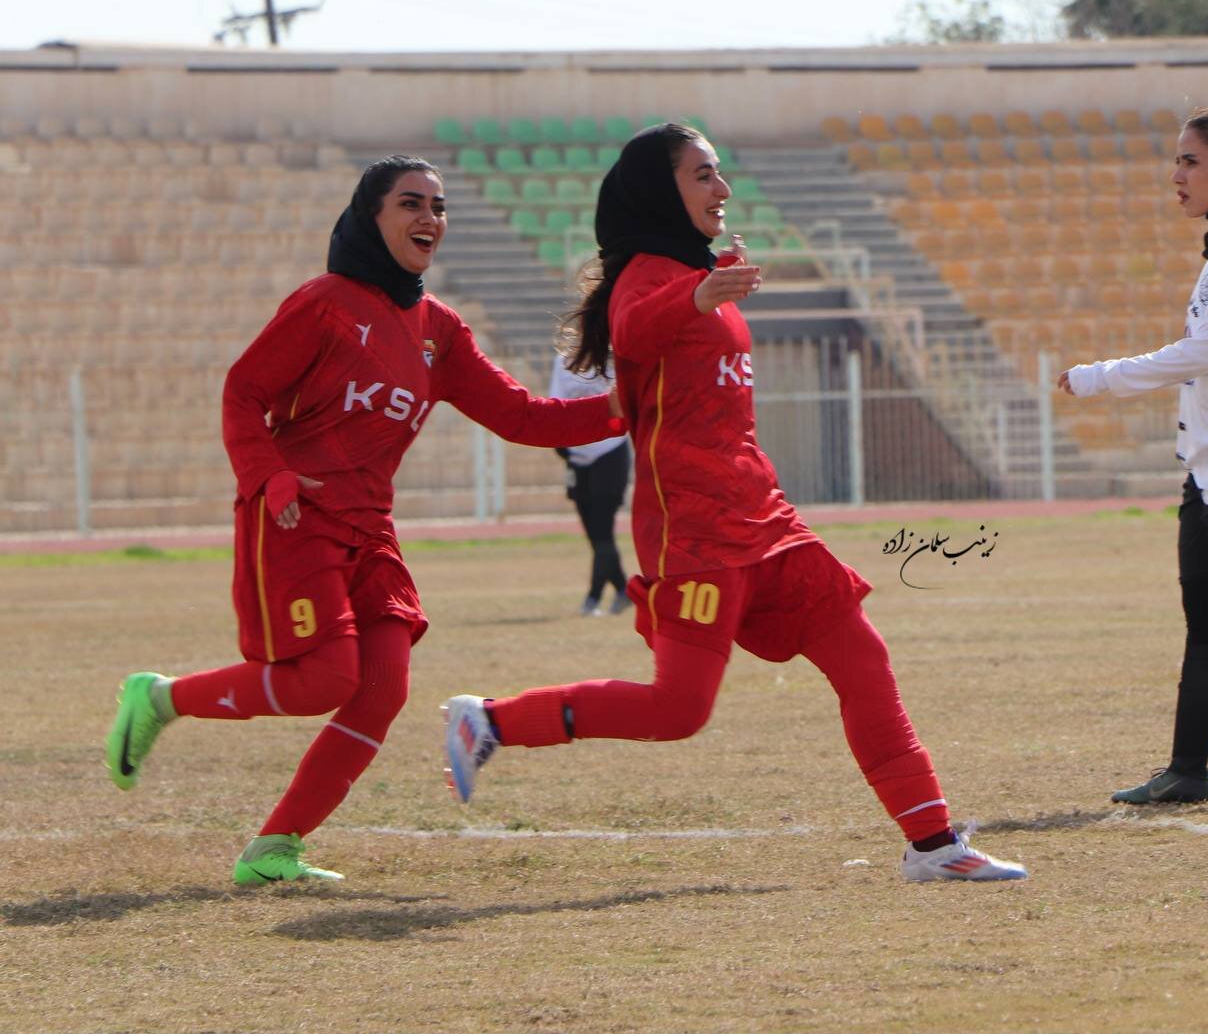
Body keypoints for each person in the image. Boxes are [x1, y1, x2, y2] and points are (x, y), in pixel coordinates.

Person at [441, 124, 1026, 883]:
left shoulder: (701, 276)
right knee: (679, 710)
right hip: (694, 529)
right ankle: (487, 721)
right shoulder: (648, 279)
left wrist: (703, 288)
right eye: (703, 175)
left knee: (863, 658)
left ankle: (934, 845)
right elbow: (633, 331)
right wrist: (693, 293)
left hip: (765, 513)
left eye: (720, 175)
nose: (722, 190)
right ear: (661, 190)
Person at [104, 154, 623, 885]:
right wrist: (269, 475)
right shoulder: (325, 301)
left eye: (439, 207)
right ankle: (157, 698)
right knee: (322, 679)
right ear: (369, 216)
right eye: (411, 203)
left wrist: (623, 409)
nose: (429, 219)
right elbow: (242, 391)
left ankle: (273, 851)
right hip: (295, 515)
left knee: (383, 687)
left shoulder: (439, 329)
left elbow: (521, 415)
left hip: (370, 528)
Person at [1060, 108, 1208, 805]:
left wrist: (1101, 377)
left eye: (1192, 161)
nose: (1176, 174)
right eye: (1177, 159)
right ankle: (1188, 771)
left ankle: (1188, 769)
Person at [548, 350, 632, 616]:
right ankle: (623, 589)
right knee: (595, 536)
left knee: (603, 532)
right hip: (578, 457)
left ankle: (593, 598)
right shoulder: (563, 362)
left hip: (610, 452)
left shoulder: (615, 359)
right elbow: (555, 402)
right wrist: (563, 447)